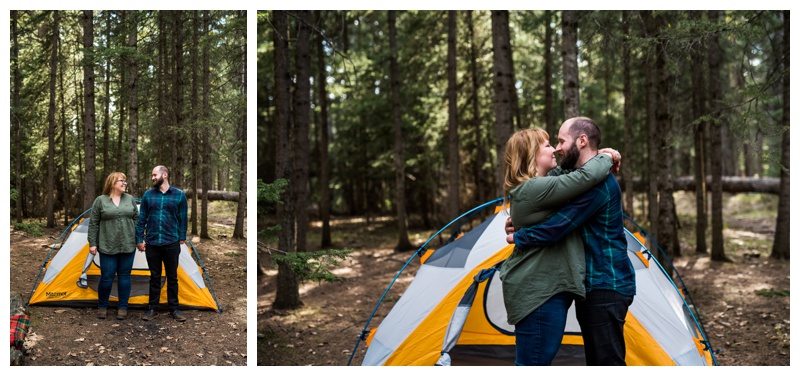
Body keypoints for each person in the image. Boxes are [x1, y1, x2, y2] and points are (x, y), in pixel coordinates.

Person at [506, 116, 635, 366]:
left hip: (605, 283)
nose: (557, 147)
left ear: (582, 140)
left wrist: (520, 235)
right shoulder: (577, 179)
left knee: (606, 363)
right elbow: (547, 200)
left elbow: (559, 225)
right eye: (551, 144)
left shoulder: (596, 183)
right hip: (591, 285)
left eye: (561, 140)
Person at [136, 165, 189, 322]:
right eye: (152, 175)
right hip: (152, 243)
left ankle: (174, 309)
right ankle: (153, 309)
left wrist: (182, 236)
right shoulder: (148, 195)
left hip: (171, 242)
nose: (152, 178)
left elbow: (183, 218)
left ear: (164, 175)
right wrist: (139, 239)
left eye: (154, 175)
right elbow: (142, 219)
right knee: (154, 277)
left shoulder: (179, 195)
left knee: (172, 277)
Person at [87, 172, 139, 320]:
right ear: (112, 182)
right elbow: (93, 223)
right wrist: (92, 243)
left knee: (124, 277)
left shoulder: (129, 199)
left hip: (128, 245)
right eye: (122, 181)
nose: (125, 183)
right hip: (107, 245)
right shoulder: (100, 200)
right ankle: (102, 306)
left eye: (125, 181)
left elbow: (137, 219)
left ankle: (123, 307)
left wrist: (139, 239)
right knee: (107, 278)